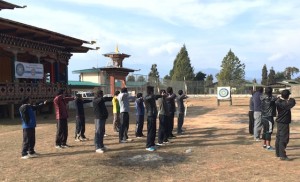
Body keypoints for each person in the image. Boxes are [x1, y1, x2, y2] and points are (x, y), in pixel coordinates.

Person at [275, 90, 296, 161]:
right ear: (287, 96)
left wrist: (280, 98)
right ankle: (282, 155)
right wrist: (288, 98)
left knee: (278, 137)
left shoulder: (278, 102)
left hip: (279, 122)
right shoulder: (286, 104)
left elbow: (277, 99)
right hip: (284, 122)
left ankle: (278, 153)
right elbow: (293, 101)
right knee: (284, 139)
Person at [144, 86, 161, 151]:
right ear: (150, 91)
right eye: (153, 90)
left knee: (153, 131)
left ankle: (152, 144)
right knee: (150, 131)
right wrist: (153, 94)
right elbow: (152, 97)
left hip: (153, 116)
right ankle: (148, 146)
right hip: (150, 116)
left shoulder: (152, 96)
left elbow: (156, 97)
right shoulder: (147, 97)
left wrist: (161, 95)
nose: (154, 91)